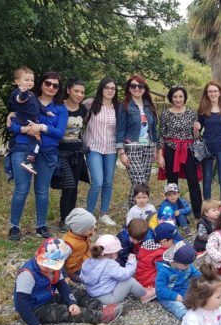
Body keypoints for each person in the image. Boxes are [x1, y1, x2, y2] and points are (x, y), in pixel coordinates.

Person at [14, 238, 123, 325]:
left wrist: (71, 302)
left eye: (52, 266)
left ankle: (103, 307)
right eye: (46, 264)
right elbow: (21, 303)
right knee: (64, 312)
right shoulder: (27, 274)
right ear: (37, 255)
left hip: (47, 297)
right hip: (34, 308)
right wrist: (34, 324)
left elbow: (62, 286)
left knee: (77, 292)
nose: (49, 268)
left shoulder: (55, 269)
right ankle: (101, 316)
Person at [8, 71, 68, 241]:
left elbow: (59, 133)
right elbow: (13, 124)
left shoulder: (60, 109)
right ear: (41, 84)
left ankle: (41, 225)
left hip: (47, 153)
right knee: (21, 189)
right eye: (48, 83)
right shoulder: (28, 99)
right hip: (22, 148)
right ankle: (14, 227)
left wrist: (43, 127)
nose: (51, 87)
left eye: (55, 85)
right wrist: (23, 129)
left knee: (42, 190)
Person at [157, 85, 202, 219]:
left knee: (193, 181)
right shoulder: (165, 114)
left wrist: (196, 130)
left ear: (184, 98)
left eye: (181, 96)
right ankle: (173, 211)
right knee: (172, 182)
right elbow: (161, 135)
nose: (178, 99)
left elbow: (195, 137)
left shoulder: (191, 113)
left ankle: (198, 212)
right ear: (171, 98)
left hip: (188, 150)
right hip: (170, 149)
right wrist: (160, 156)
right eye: (175, 96)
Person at [51, 78, 89, 232]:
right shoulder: (59, 107)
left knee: (74, 186)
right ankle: (63, 219)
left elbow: (81, 130)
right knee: (68, 185)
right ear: (68, 90)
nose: (79, 95)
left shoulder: (83, 110)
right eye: (76, 91)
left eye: (82, 92)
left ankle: (71, 218)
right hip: (62, 152)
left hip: (77, 152)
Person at [116, 75, 159, 208]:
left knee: (142, 184)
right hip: (132, 147)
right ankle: (136, 215)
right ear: (129, 89)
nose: (137, 89)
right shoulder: (124, 106)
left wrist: (155, 149)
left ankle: (134, 212)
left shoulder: (149, 107)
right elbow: (120, 130)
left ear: (144, 89)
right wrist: (121, 152)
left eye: (140, 86)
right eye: (133, 86)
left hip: (148, 147)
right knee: (139, 182)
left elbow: (153, 129)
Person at [83, 77, 119, 226]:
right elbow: (72, 110)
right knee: (97, 181)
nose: (110, 90)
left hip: (111, 148)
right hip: (93, 147)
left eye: (113, 88)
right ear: (101, 89)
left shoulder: (118, 108)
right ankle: (89, 215)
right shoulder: (90, 103)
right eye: (107, 87)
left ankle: (103, 213)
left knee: (108, 182)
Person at [8, 66, 54, 175]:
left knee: (36, 141)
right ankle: (28, 161)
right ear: (17, 81)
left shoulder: (32, 94)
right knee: (37, 141)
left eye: (32, 80)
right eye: (26, 80)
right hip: (23, 120)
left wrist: (46, 112)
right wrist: (23, 92)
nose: (30, 82)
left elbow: (38, 105)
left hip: (31, 121)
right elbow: (20, 99)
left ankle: (29, 160)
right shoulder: (19, 92)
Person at [196, 80, 221, 207]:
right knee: (207, 178)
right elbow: (198, 131)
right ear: (207, 94)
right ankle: (207, 207)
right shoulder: (203, 109)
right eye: (210, 91)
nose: (213, 93)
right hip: (207, 148)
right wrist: (195, 128)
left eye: (215, 91)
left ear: (219, 93)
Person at [81, 234, 151, 304]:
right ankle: (145, 295)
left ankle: (140, 291)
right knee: (129, 280)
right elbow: (125, 274)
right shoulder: (109, 265)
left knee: (116, 278)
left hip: (93, 294)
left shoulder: (88, 261)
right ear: (114, 254)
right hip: (109, 299)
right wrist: (131, 261)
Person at [155, 241, 202, 320]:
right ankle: (187, 318)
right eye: (185, 265)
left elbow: (195, 273)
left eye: (189, 264)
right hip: (168, 296)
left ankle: (202, 310)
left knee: (200, 293)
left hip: (184, 289)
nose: (188, 266)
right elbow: (160, 289)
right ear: (174, 261)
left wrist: (203, 279)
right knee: (177, 306)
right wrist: (174, 296)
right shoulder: (164, 271)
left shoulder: (186, 264)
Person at [135, 222, 179, 302]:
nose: (173, 243)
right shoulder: (160, 254)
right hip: (148, 282)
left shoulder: (151, 245)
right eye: (172, 241)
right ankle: (149, 294)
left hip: (142, 277)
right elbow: (166, 268)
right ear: (164, 241)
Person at [62, 208, 96, 283]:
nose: (93, 230)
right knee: (92, 279)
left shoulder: (81, 236)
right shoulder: (68, 244)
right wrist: (65, 276)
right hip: (73, 271)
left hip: (82, 263)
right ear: (80, 230)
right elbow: (59, 261)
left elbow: (83, 249)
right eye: (90, 228)